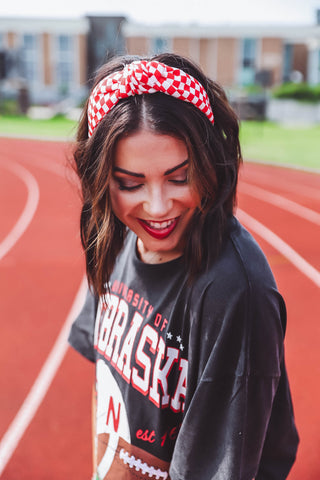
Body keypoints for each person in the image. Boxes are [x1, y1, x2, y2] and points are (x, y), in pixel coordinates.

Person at [68, 53, 299, 480]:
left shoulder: (234, 290)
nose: (157, 208)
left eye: (180, 176)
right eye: (130, 183)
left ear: (211, 165)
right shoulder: (119, 237)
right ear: (101, 180)